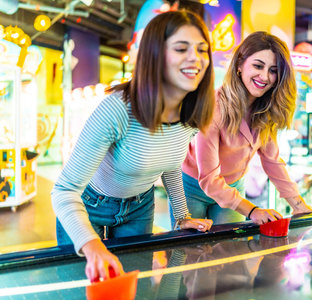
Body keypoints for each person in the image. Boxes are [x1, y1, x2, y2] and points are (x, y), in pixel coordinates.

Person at [52, 10, 215, 282]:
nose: (195, 58)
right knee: (81, 288)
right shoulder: (118, 108)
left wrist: (182, 215)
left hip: (140, 206)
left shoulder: (192, 115)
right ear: (154, 55)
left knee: (133, 288)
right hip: (89, 203)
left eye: (202, 49)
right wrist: (93, 248)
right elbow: (64, 191)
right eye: (181, 48)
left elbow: (170, 165)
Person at [179, 31, 312, 226]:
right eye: (258, 66)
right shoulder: (212, 107)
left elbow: (272, 161)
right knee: (190, 253)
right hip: (193, 188)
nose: (265, 76)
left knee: (231, 250)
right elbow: (208, 178)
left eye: (273, 70)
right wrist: (252, 210)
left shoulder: (265, 109)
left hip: (233, 185)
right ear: (240, 65)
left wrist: (299, 205)